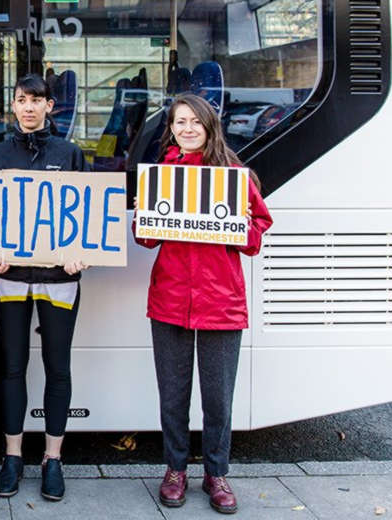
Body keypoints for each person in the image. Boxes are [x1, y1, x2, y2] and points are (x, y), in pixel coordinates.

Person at [134, 93, 272, 515]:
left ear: (210, 126)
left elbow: (257, 232)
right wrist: (143, 217)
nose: (188, 128)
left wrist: (239, 227)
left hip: (221, 302)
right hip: (171, 298)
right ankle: (175, 470)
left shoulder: (232, 173)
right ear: (171, 129)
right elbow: (148, 238)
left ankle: (217, 473)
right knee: (172, 395)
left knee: (218, 398)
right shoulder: (162, 175)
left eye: (195, 121)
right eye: (180, 122)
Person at [0, 74, 89, 502]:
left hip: (60, 279)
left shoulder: (70, 154)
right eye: (22, 99)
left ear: (50, 106)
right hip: (10, 278)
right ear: (13, 105)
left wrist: (82, 254)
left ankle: (53, 458)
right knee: (11, 366)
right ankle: (12, 456)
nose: (28, 107)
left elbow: (89, 217)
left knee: (58, 366)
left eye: (37, 100)